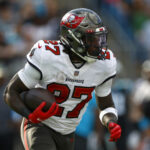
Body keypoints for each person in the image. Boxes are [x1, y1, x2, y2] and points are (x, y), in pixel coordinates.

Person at [4, 8, 121, 150]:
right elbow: (11, 92)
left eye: (99, 37)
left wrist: (110, 122)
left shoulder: (104, 64)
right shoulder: (47, 56)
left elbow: (106, 105)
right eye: (91, 39)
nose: (98, 44)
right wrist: (29, 115)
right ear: (73, 38)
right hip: (40, 125)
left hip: (68, 133)